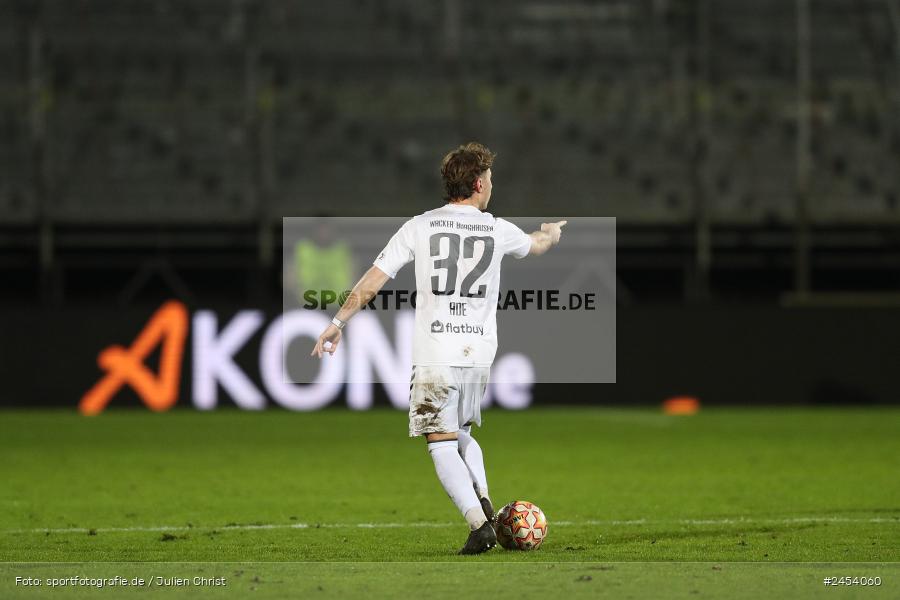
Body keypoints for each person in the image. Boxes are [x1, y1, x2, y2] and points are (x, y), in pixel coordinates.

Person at [310, 142, 566, 554]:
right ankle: (482, 498)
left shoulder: (420, 226)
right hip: (479, 353)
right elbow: (536, 244)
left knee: (440, 441)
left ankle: (479, 524)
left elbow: (374, 280)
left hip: (436, 350)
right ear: (479, 183)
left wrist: (338, 322)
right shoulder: (496, 228)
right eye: (491, 180)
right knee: (460, 433)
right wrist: (551, 233)